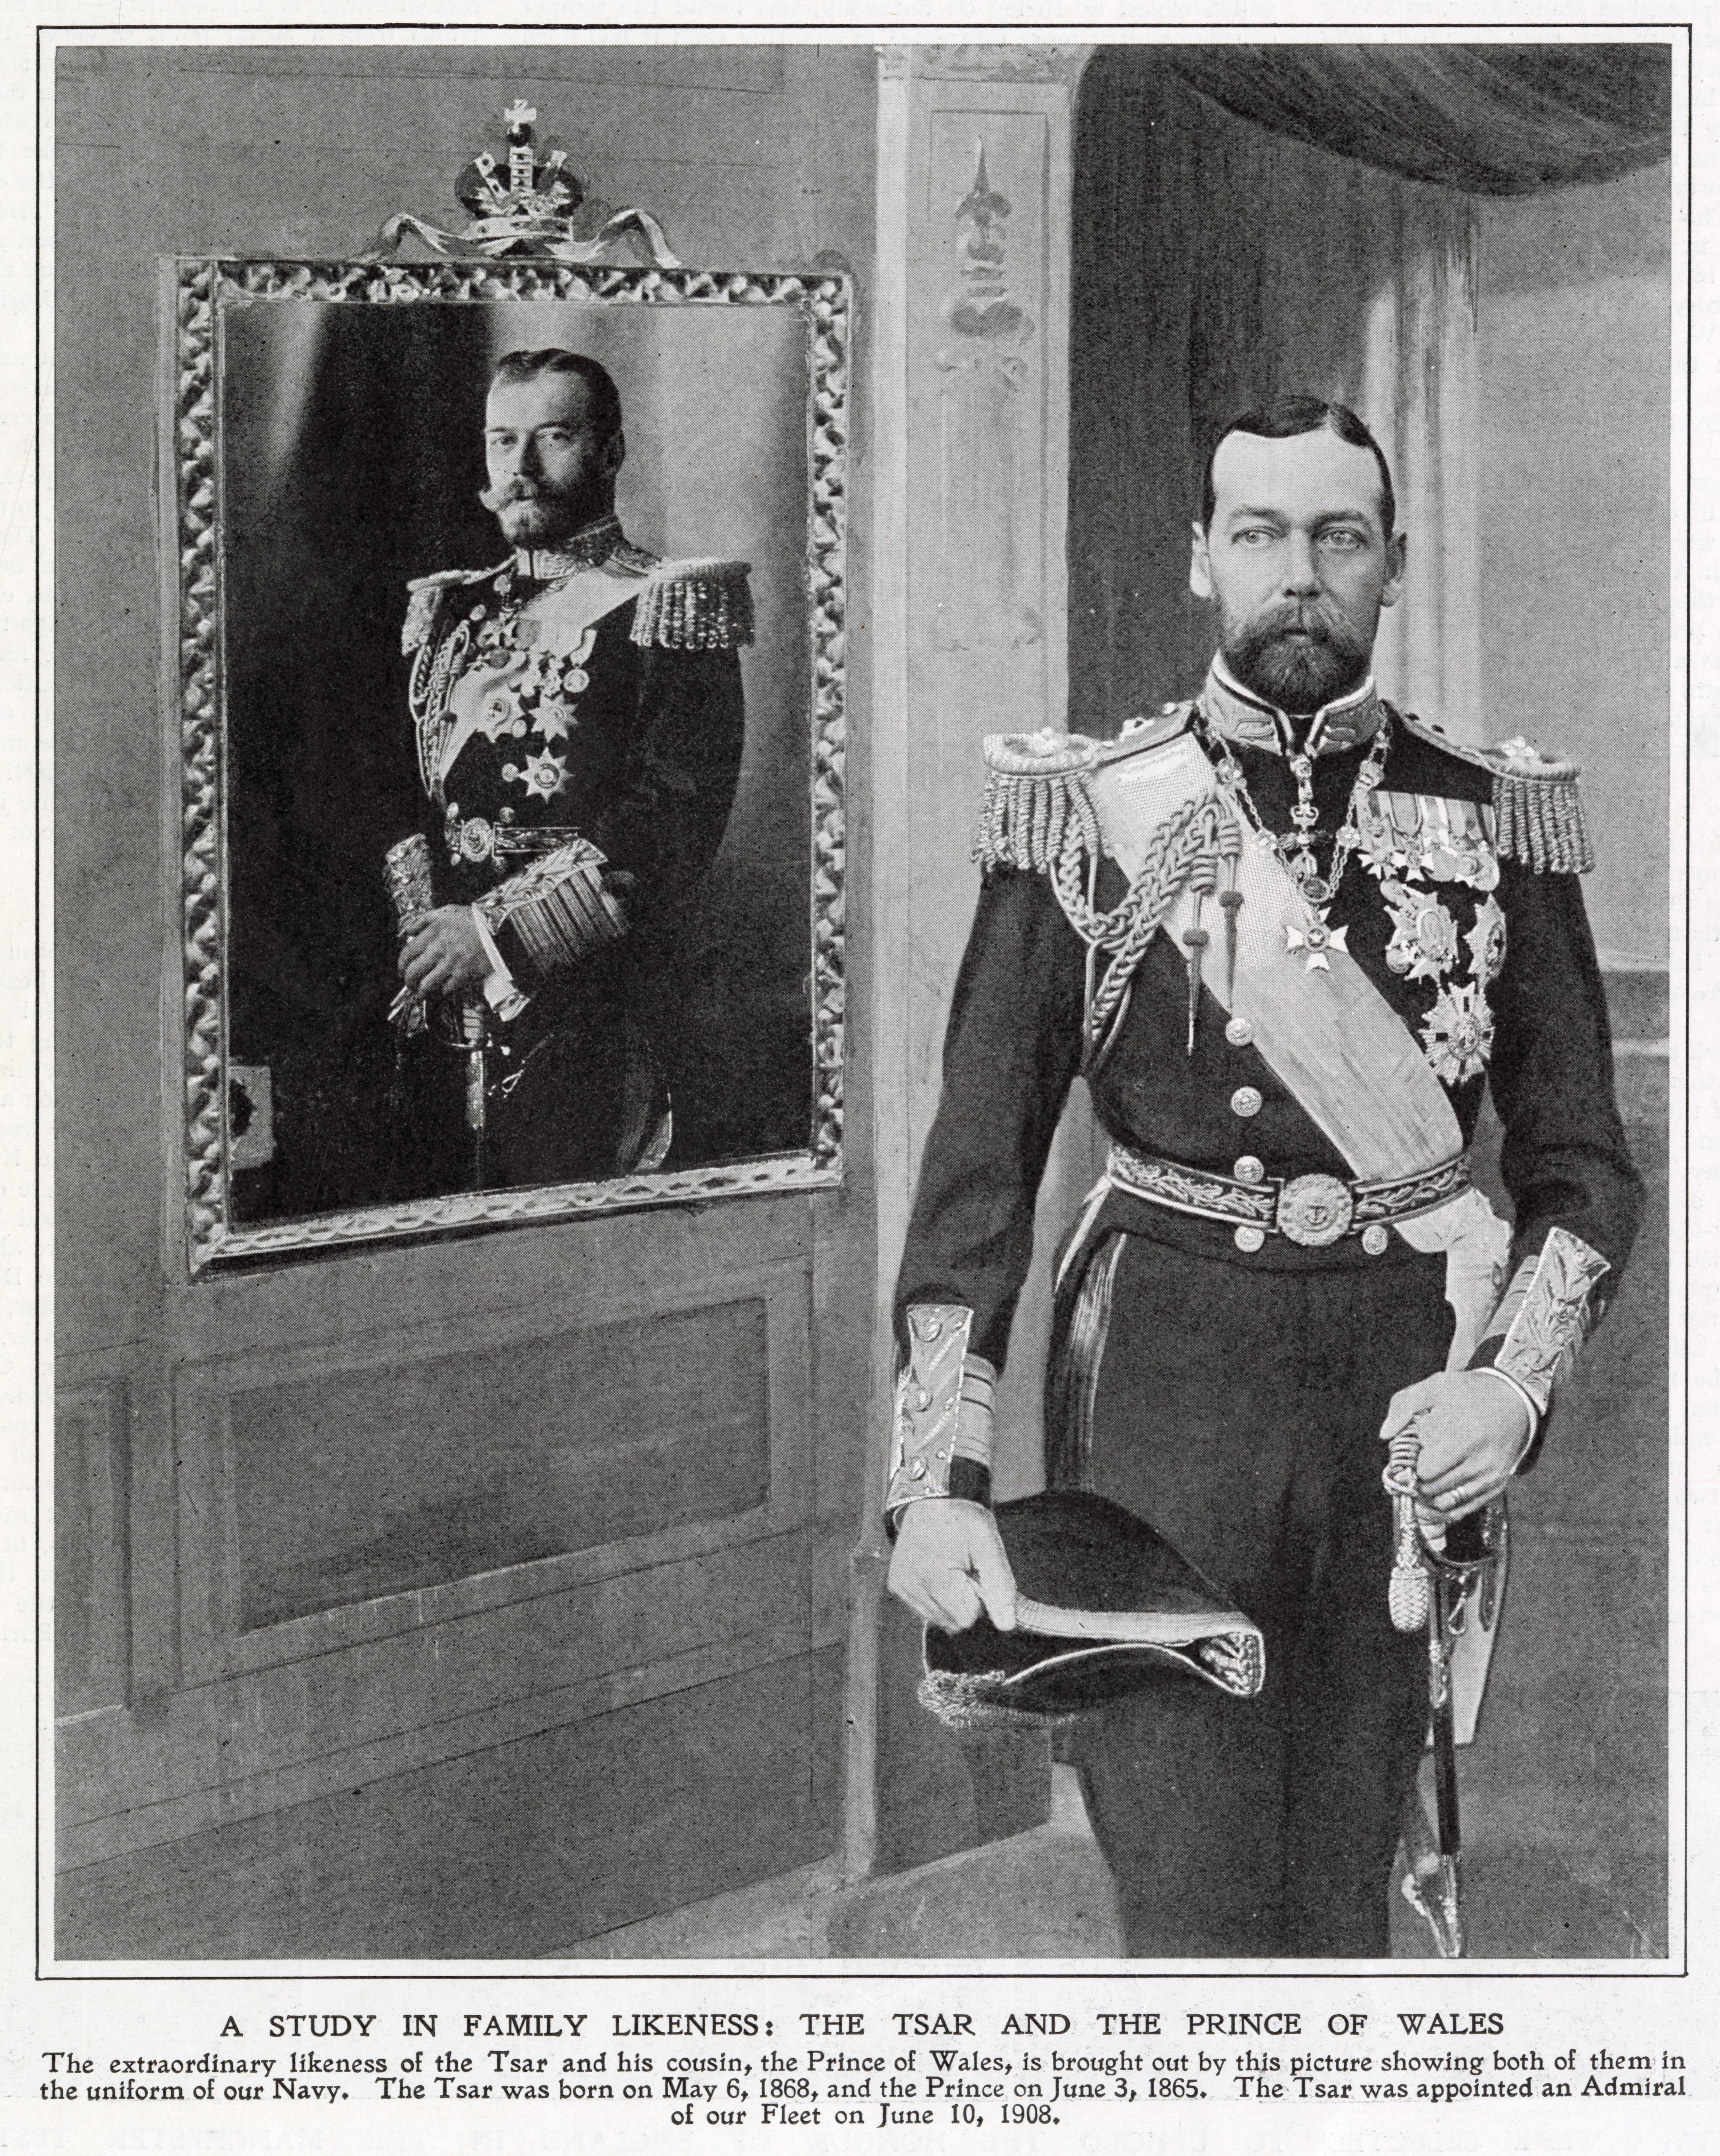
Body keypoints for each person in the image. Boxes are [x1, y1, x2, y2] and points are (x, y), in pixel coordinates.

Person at [884, 395, 1642, 1957]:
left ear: (1390, 561)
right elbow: (973, 1190)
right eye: (1259, 533)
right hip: (1164, 1389)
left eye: (1336, 536)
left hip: (1401, 1391)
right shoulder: (1084, 812)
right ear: (1199, 558)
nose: (1298, 572)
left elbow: (1577, 1169)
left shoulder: (1494, 816)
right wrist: (932, 1483)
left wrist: (1505, 1391)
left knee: (1340, 1887)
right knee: (1188, 1896)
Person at [386, 347, 750, 1191]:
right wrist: (433, 948)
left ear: (611, 452)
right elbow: (412, 803)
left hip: (598, 1016)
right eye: (501, 441)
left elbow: (669, 826)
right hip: (449, 1008)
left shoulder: (670, 602)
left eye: (551, 437)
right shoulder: (451, 609)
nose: (519, 469)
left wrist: (487, 936)